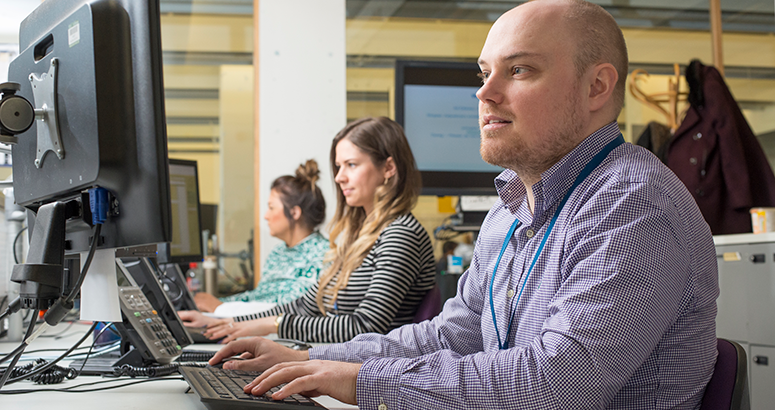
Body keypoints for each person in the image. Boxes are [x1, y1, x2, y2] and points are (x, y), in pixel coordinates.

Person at [207, 1, 720, 409]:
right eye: (484, 74)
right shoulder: (510, 209)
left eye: (519, 70)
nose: (484, 94)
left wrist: (362, 381)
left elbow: (555, 385)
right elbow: (455, 334)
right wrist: (309, 357)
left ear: (596, 87)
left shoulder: (633, 205)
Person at [183, 117, 436, 344]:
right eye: (338, 166)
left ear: (388, 168)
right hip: (341, 359)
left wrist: (275, 325)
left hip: (368, 370)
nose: (339, 177)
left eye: (351, 165)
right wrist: (230, 323)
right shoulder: (360, 236)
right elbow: (307, 305)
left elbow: (366, 326)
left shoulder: (400, 234)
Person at [188, 160, 329, 314]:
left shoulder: (324, 256)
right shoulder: (278, 253)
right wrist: (217, 304)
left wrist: (220, 308)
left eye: (271, 208)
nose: (266, 216)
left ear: (294, 213)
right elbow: (257, 298)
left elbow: (290, 309)